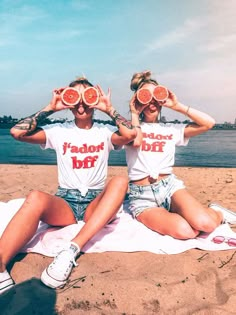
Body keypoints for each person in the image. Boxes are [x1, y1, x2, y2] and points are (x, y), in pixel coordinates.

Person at [0, 76, 137, 293]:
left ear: (94, 101)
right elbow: (17, 132)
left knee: (120, 181)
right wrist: (50, 108)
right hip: (66, 203)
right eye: (75, 98)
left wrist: (109, 109)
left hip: (95, 204)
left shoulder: (105, 132)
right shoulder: (58, 131)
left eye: (87, 97)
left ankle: (71, 250)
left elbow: (130, 134)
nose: (81, 103)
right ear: (69, 103)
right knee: (35, 196)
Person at [125, 70, 236, 240]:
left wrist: (177, 106)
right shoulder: (129, 128)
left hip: (170, 187)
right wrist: (133, 113)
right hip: (142, 197)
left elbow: (209, 123)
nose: (152, 103)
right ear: (138, 100)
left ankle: (218, 213)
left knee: (205, 224)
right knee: (187, 232)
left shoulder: (171, 129)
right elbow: (135, 140)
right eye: (146, 97)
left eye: (157, 97)